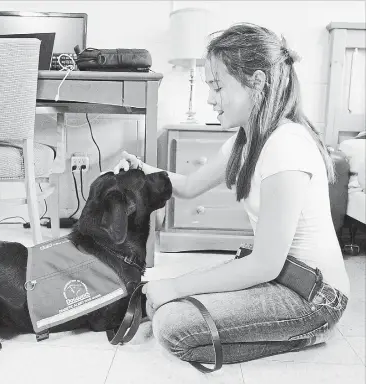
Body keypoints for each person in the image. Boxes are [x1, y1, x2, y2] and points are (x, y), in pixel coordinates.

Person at [112, 23, 349, 365]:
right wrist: (143, 169)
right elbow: (191, 186)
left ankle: (306, 332)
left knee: (173, 326)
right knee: (169, 302)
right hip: (283, 277)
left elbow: (264, 264)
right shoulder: (245, 140)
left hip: (314, 297)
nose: (210, 98)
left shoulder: (287, 144)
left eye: (218, 87)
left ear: (257, 82)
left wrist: (177, 286)